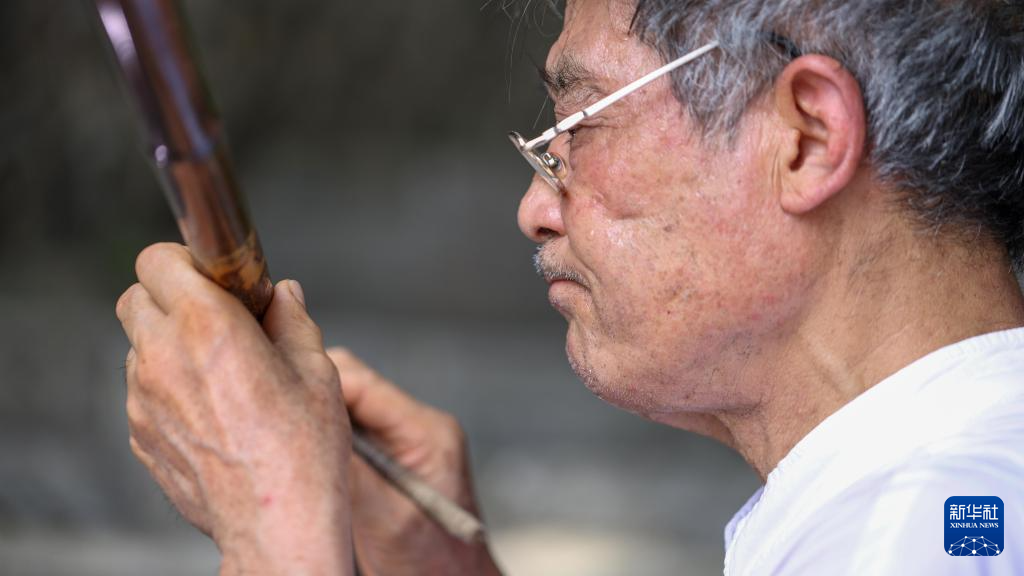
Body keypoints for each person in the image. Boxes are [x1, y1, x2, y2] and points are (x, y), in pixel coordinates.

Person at [114, 0, 1024, 574]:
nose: (535, 210)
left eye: (575, 129)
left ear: (807, 138)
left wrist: (277, 530)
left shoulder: (916, 530)